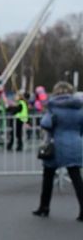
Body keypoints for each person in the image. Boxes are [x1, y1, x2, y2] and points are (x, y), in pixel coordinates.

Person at [32, 81, 83, 220]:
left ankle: (44, 207)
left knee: (48, 177)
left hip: (56, 144)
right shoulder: (79, 107)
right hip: (75, 143)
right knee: (77, 178)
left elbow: (45, 123)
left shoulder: (53, 107)